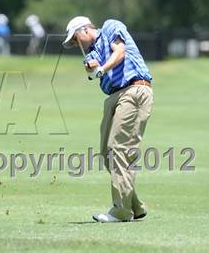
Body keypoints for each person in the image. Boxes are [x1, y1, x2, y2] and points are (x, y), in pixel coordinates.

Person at [62, 16, 153, 223]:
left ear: (85, 30)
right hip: (113, 97)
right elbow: (92, 69)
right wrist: (92, 67)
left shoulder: (112, 26)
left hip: (135, 89)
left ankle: (121, 211)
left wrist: (102, 68)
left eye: (76, 39)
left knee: (119, 148)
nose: (77, 45)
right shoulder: (91, 54)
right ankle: (135, 206)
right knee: (107, 152)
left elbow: (119, 52)